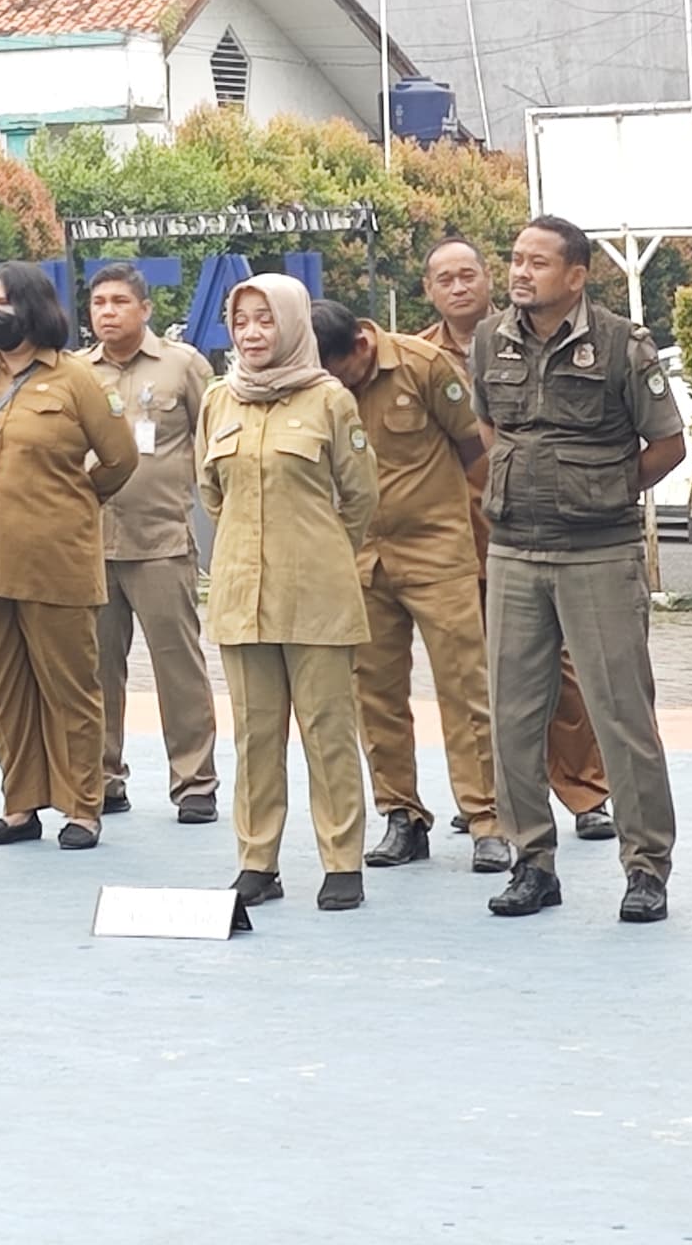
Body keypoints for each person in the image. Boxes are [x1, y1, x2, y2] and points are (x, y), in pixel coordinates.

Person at [474, 216, 685, 923]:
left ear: (575, 275)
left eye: (537, 262)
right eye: (514, 258)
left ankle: (646, 866)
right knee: (511, 715)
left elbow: (667, 445)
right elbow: (490, 428)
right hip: (513, 550)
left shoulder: (624, 345)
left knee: (621, 714)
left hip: (598, 551)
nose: (519, 272)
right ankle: (532, 861)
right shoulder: (489, 340)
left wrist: (600, 489)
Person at [428, 232, 616, 853]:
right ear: (429, 291)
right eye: (444, 279)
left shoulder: (516, 339)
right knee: (483, 681)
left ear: (485, 281)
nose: (459, 287)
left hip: (528, 530)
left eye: (468, 275)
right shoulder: (416, 358)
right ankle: (489, 797)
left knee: (565, 673)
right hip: (451, 542)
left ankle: (587, 793)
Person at [0, 258, 132, 847]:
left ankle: (81, 806)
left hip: (54, 559)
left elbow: (120, 458)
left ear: (36, 309)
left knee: (69, 684)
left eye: (6, 303)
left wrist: (73, 504)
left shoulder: (74, 379)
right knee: (3, 687)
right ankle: (20, 803)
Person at [199, 277, 378, 910]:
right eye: (241, 321)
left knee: (328, 731)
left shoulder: (331, 401)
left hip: (318, 596)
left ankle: (342, 862)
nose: (251, 334)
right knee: (254, 734)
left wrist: (317, 549)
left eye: (265, 321)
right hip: (241, 595)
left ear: (294, 325)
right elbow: (213, 494)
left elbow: (358, 498)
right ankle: (257, 862)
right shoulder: (219, 400)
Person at [331, 296, 490, 872]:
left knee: (467, 689)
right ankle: (401, 815)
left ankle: (487, 818)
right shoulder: (314, 382)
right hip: (362, 562)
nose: (333, 383)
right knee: (375, 697)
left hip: (436, 555)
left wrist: (467, 528)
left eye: (339, 371)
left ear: (361, 347)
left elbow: (477, 452)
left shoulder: (423, 366)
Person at [83, 262, 217, 825]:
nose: (107, 312)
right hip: (90, 544)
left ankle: (194, 782)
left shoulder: (182, 366)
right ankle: (103, 777)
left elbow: (212, 437)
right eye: (98, 303)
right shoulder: (74, 372)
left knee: (177, 666)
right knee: (93, 670)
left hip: (160, 540)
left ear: (145, 309)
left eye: (119, 302)